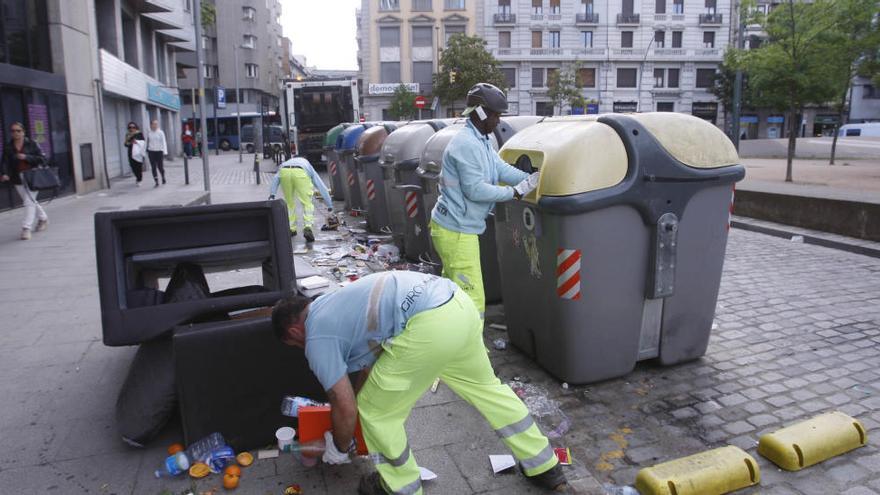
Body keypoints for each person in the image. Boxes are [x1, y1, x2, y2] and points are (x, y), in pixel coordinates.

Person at [272, 271, 569, 495]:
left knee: (378, 413)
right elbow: (370, 365)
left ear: (294, 331)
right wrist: (355, 412)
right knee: (488, 389)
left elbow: (344, 403)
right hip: (455, 304)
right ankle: (544, 465)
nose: (302, 349)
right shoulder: (335, 303)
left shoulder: (316, 335)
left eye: (294, 345)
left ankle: (399, 485)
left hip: (429, 324)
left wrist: (338, 446)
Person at [429, 83, 539, 318]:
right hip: (456, 231)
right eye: (496, 115)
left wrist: (533, 180)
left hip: (456, 227)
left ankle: (451, 346)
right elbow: (476, 191)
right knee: (473, 301)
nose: (498, 121)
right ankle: (471, 353)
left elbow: (499, 168)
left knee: (454, 296)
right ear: (480, 112)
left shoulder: (480, 140)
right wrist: (515, 193)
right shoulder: (467, 144)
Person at [0, 122, 49, 240]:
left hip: (32, 176)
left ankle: (26, 228)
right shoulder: (8, 147)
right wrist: (4, 173)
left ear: (23, 132)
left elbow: (42, 159)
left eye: (18, 130)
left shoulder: (32, 144)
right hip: (17, 177)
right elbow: (4, 162)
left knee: (28, 202)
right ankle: (43, 218)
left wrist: (26, 157)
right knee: (30, 201)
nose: (15, 133)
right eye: (13, 131)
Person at [268, 156, 333, 243]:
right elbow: (320, 185)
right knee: (307, 203)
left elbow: (276, 178)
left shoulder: (285, 163)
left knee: (289, 203)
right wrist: (329, 205)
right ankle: (307, 227)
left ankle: (291, 229)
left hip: (284, 172)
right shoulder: (307, 164)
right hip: (300, 172)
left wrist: (272, 194)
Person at [145, 119, 167, 187]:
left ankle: (163, 177)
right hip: (151, 151)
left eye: (156, 124)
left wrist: (165, 151)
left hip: (159, 151)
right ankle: (156, 181)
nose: (155, 125)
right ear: (151, 125)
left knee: (160, 166)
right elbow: (147, 142)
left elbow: (163, 142)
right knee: (153, 166)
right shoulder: (149, 133)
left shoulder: (160, 132)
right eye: (154, 124)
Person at [123, 122, 145, 186]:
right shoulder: (128, 135)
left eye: (133, 127)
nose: (131, 128)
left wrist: (137, 142)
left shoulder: (139, 134)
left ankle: (139, 179)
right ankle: (137, 177)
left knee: (138, 166)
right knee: (132, 166)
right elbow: (125, 144)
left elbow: (143, 142)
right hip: (131, 152)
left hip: (138, 152)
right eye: (130, 127)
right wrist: (130, 143)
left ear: (136, 127)